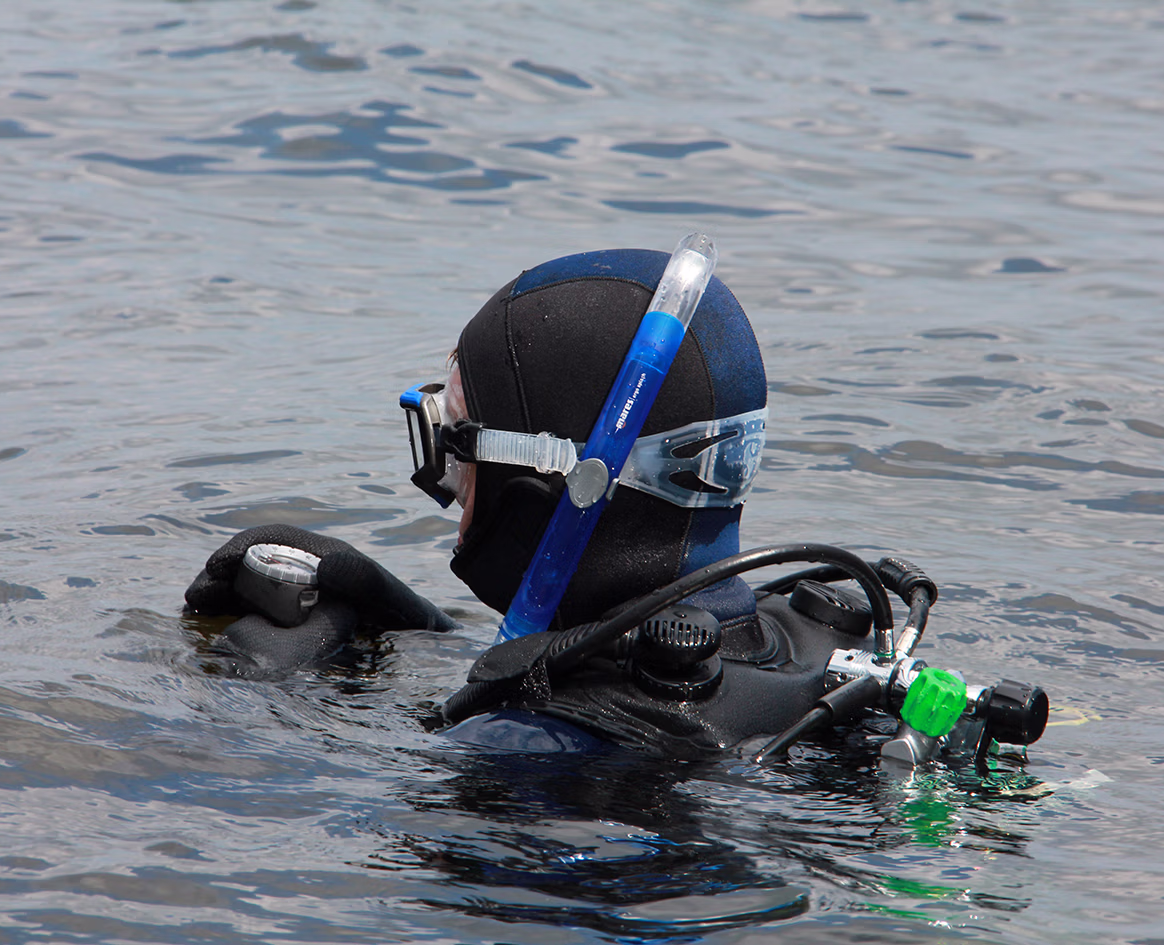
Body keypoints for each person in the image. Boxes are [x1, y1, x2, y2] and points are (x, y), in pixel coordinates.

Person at [185, 244, 1046, 761]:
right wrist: (402, 622)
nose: (445, 483)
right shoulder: (813, 632)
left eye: (455, 440)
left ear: (550, 483)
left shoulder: (534, 751)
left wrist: (261, 702)